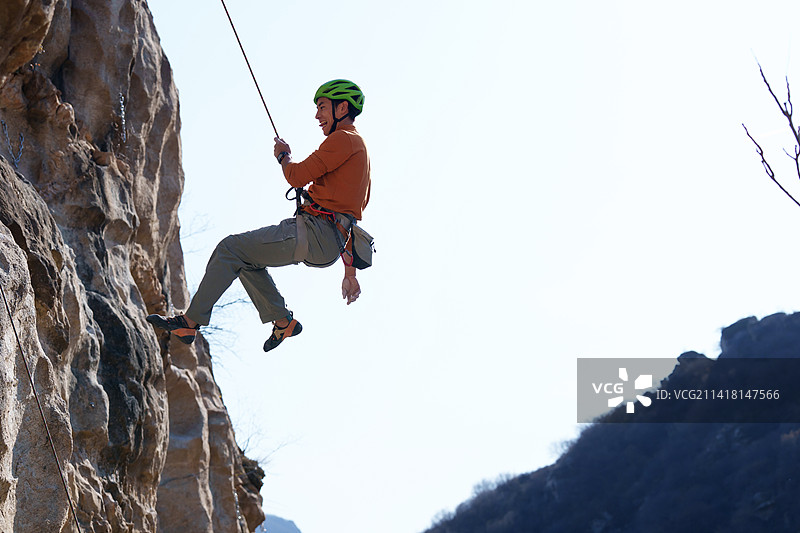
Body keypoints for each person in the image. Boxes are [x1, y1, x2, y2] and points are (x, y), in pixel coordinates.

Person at [147, 79, 370, 352]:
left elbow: (296, 175)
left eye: (322, 107)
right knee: (244, 259)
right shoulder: (358, 150)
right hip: (325, 240)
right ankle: (282, 321)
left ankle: (189, 322)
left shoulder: (344, 139)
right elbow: (348, 219)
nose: (317, 115)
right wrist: (350, 272)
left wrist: (283, 156)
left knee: (230, 248)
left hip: (314, 233)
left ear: (342, 107)